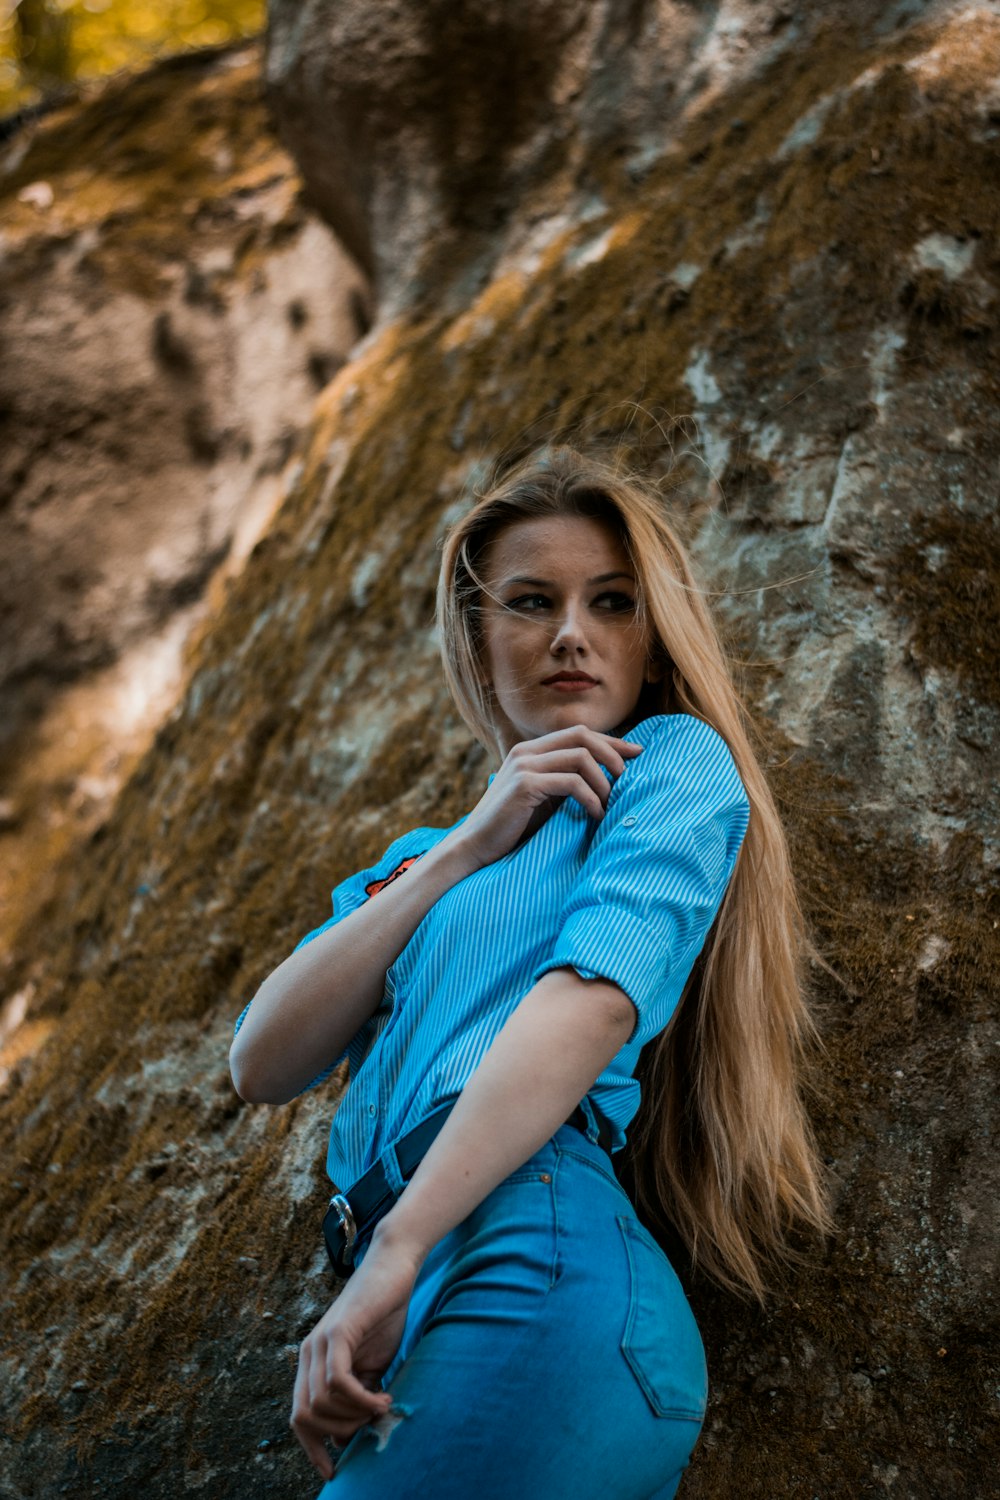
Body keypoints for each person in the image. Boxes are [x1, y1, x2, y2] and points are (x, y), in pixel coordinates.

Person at [229, 445, 830, 1499]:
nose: (569, 633)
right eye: (528, 601)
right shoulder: (420, 859)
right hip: (433, 1289)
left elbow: (588, 1006)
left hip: (535, 1257)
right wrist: (468, 843)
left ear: (650, 646)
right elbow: (265, 1058)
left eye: (610, 602)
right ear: (477, 636)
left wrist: (396, 1249)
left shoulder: (672, 765)